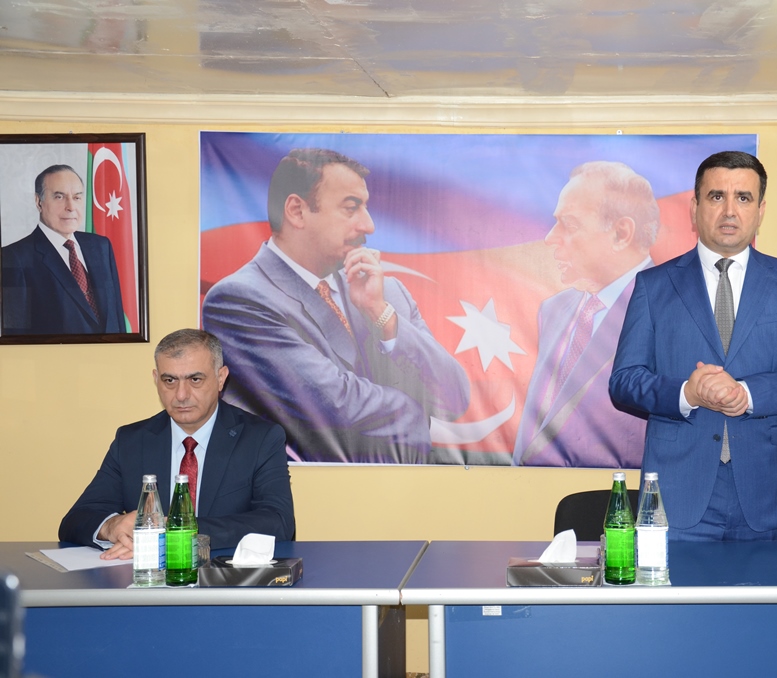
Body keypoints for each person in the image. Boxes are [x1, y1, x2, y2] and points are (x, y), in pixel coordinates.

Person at [609, 151, 777, 541]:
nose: (730, 210)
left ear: (760, 211)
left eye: (743, 198)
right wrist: (687, 393)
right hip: (679, 491)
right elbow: (625, 381)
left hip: (767, 489)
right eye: (716, 196)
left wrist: (746, 394)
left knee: (769, 586)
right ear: (694, 207)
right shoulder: (654, 286)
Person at [202, 148, 470, 463]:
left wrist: (382, 316)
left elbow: (455, 398)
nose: (369, 225)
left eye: (366, 208)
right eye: (351, 208)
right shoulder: (239, 300)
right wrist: (415, 411)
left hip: (407, 490)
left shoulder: (388, 293)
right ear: (297, 211)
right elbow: (334, 406)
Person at [59, 329, 295, 556]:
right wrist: (112, 527)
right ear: (156, 380)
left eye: (195, 379)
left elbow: (279, 522)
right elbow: (76, 519)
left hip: (223, 577)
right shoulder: (131, 441)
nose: (181, 395)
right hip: (148, 578)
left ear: (221, 378)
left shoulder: (260, 438)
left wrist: (175, 531)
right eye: (170, 380)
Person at [513, 161, 657, 467]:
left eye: (569, 224)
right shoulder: (554, 310)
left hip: (617, 492)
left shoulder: (672, 309)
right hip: (534, 488)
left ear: (621, 233)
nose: (550, 237)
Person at [1, 165, 126, 336]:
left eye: (77, 197)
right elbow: (16, 336)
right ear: (39, 202)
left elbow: (117, 318)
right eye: (59, 197)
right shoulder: (14, 257)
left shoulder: (101, 246)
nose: (71, 206)